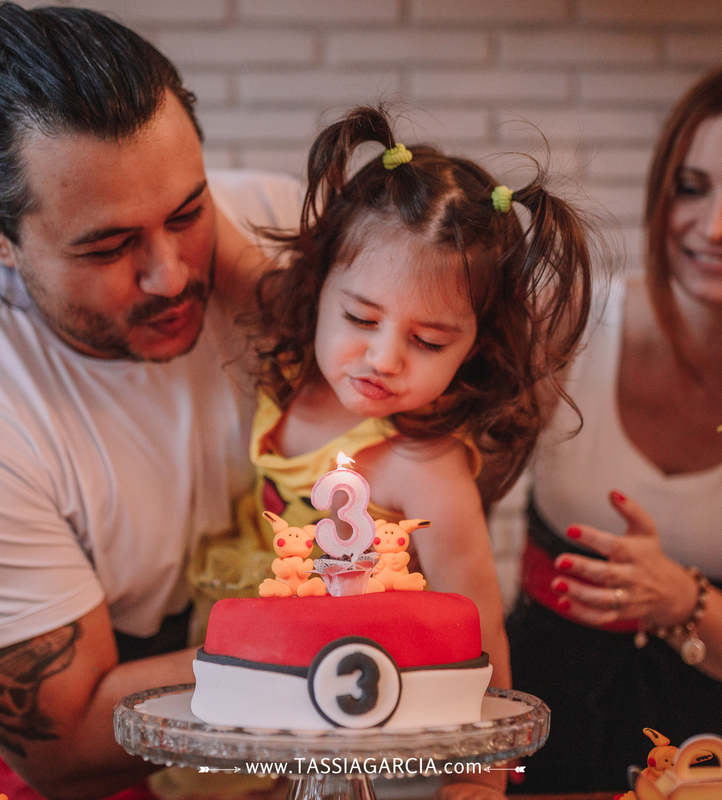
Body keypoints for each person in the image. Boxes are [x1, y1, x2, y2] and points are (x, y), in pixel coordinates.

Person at [0, 2, 301, 798]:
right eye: (107, 245)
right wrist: (332, 646)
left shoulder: (266, 229)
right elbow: (69, 744)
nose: (170, 274)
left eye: (187, 213)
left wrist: (278, 293)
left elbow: (474, 400)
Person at [505, 56, 722, 793]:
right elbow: (448, 497)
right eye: (690, 188)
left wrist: (685, 602)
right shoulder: (569, 320)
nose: (715, 225)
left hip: (713, 756)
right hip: (539, 717)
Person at [222, 105, 594, 796]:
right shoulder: (299, 369)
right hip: (261, 697)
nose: (383, 358)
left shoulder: (427, 469)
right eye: (362, 317)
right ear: (318, 283)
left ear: (474, 346)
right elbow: (218, 248)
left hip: (377, 731)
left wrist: (483, 781)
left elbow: (481, 635)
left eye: (428, 342)